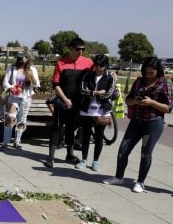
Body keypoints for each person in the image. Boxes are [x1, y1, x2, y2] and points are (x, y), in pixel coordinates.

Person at [103, 57, 173, 193]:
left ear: (158, 71)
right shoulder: (139, 81)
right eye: (146, 72)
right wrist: (135, 101)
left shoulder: (165, 84)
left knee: (145, 153)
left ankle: (140, 182)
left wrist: (152, 103)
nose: (148, 75)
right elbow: (128, 101)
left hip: (153, 124)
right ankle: (119, 177)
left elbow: (168, 108)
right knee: (123, 149)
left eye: (151, 72)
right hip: (136, 121)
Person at [44, 37, 94, 168]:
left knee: (71, 128)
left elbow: (98, 76)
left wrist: (111, 76)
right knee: (57, 128)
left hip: (79, 103)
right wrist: (65, 100)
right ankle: (51, 157)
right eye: (78, 49)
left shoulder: (88, 63)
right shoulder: (61, 63)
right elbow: (55, 84)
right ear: (71, 49)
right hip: (62, 101)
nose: (81, 52)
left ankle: (70, 154)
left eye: (83, 49)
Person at [76, 54, 116, 171]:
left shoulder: (110, 78)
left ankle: (96, 161)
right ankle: (83, 159)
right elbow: (82, 90)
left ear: (106, 65)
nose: (98, 67)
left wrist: (93, 92)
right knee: (85, 136)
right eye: (97, 65)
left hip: (102, 111)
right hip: (87, 110)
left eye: (101, 65)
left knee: (99, 138)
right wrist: (96, 93)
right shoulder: (88, 76)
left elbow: (109, 93)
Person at [1, 52, 40, 149]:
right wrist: (12, 87)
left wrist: (32, 76)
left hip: (26, 98)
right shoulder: (12, 68)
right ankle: (5, 141)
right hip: (14, 97)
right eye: (18, 58)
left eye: (22, 58)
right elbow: (5, 83)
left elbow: (37, 84)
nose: (19, 60)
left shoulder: (32, 69)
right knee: (10, 118)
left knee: (21, 120)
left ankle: (17, 142)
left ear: (27, 59)